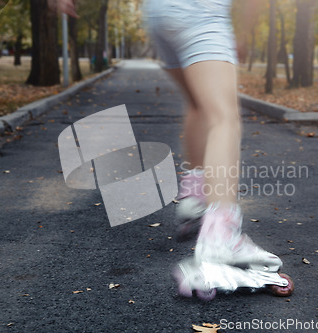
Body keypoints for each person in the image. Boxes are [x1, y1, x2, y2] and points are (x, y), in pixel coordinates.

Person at [58, 0, 293, 299]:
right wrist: (244, 33)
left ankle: (195, 201)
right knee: (224, 118)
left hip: (160, 14)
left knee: (199, 103)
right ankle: (222, 236)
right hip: (200, 12)